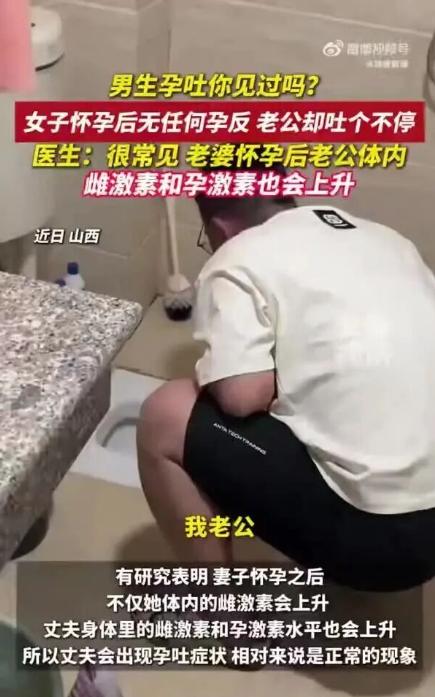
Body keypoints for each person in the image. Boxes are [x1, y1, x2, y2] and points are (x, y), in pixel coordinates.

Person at [137, 160, 435, 593]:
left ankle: (219, 611)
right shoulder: (387, 240)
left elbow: (243, 396)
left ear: (219, 227)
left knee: (166, 413)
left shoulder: (238, 254)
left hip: (382, 541)